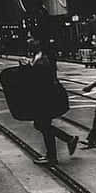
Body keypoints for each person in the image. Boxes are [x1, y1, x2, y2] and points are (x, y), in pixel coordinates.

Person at [22, 37, 79, 165]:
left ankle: (55, 153)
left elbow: (39, 77)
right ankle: (65, 143)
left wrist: (28, 67)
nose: (29, 42)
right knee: (43, 125)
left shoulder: (43, 59)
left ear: (38, 43)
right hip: (44, 97)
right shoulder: (38, 57)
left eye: (32, 40)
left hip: (46, 97)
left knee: (42, 125)